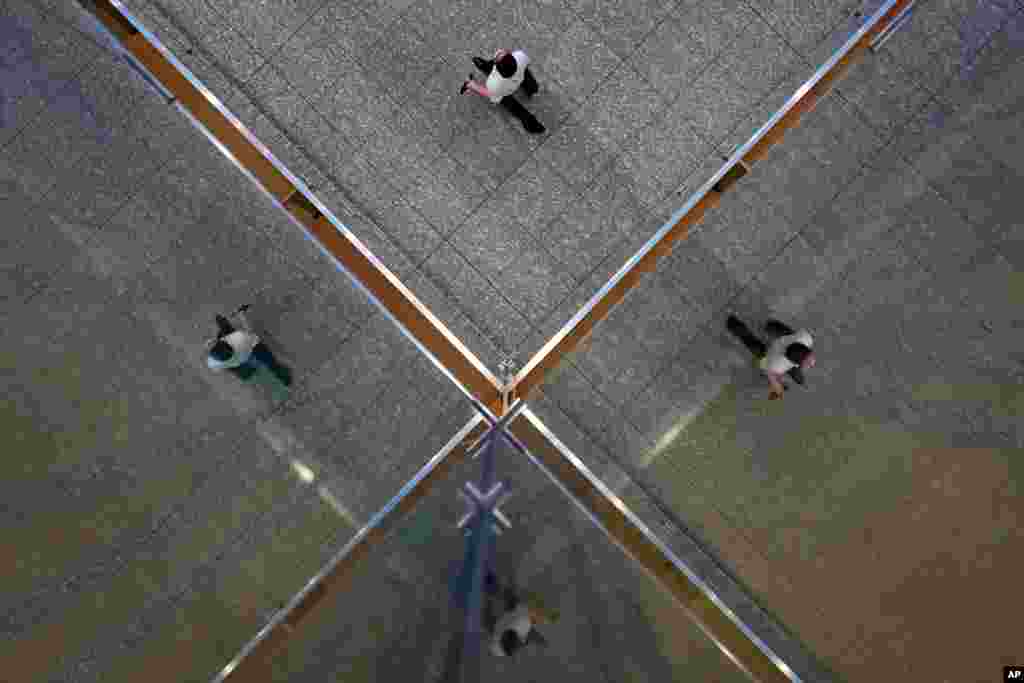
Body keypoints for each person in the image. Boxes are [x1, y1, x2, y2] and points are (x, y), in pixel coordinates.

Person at [726, 315, 815, 400]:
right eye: (808, 363)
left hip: (784, 339)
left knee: (776, 329)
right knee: (754, 345)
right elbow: (770, 373)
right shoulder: (777, 365)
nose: (811, 364)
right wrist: (778, 388)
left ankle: (766, 325)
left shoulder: (805, 338)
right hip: (771, 356)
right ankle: (734, 325)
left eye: (809, 359)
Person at [460, 48, 545, 134]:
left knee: (513, 106)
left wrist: (472, 85)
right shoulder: (520, 56)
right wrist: (505, 54)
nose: (499, 50)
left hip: (504, 89)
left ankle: (479, 71)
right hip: (519, 76)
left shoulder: (493, 83)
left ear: (496, 67)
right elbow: (522, 62)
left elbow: (491, 95)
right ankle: (532, 90)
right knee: (529, 80)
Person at [207, 305, 292, 385]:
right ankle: (238, 313)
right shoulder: (239, 339)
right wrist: (241, 315)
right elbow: (249, 331)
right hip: (249, 347)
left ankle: (283, 378)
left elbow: (217, 365)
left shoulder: (214, 363)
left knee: (264, 364)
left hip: (240, 358)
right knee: (270, 362)